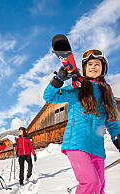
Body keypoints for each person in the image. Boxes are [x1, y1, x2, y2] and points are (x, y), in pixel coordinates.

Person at [43, 49, 120, 194]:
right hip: (76, 143)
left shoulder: (107, 94)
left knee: (99, 187)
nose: (93, 67)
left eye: (97, 64)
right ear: (84, 68)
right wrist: (58, 80)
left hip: (97, 148)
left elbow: (112, 122)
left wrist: (118, 140)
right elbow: (49, 97)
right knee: (91, 183)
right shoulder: (76, 89)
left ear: (103, 68)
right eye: (89, 64)